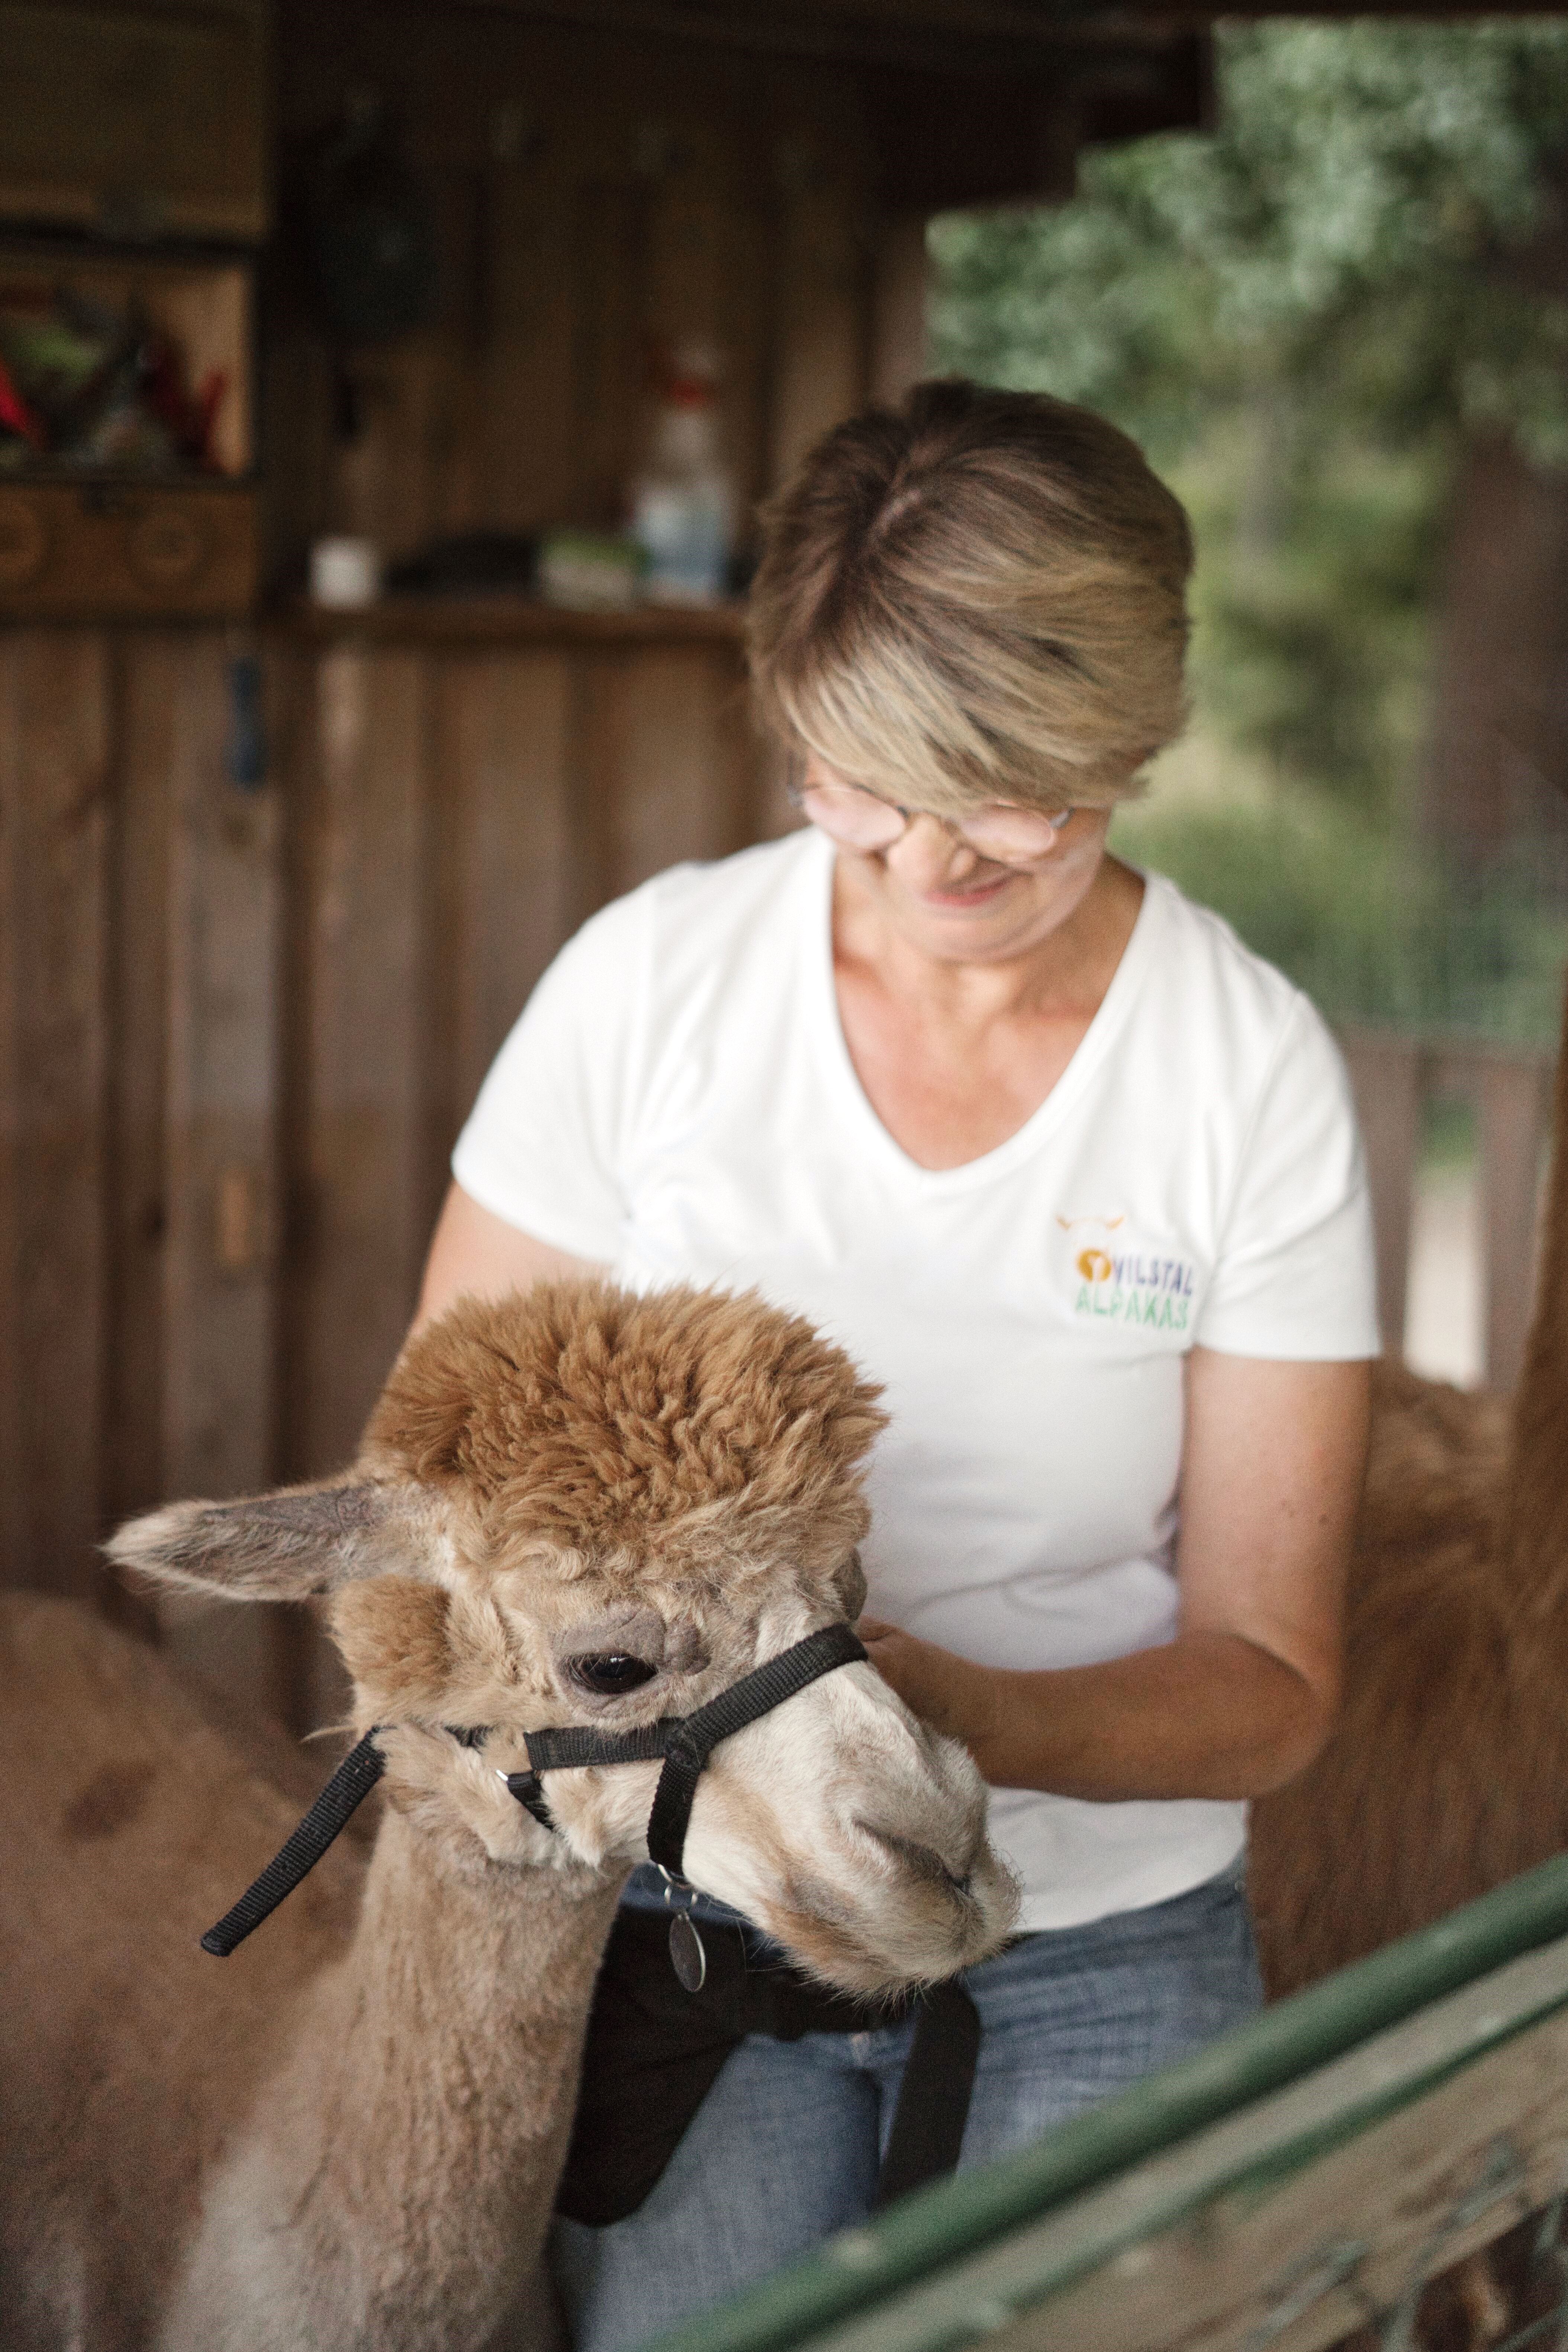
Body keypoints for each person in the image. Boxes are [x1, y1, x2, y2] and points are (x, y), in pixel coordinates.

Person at [410, 379, 1377, 2351]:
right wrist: (718, 1748)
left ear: (1132, 734)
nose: (930, 857)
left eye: (1007, 794)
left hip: (1096, 1940)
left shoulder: (1244, 1068)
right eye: (860, 785)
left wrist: (940, 1721)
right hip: (703, 1926)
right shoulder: (651, 990)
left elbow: (1274, 1688)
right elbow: (435, 1484)